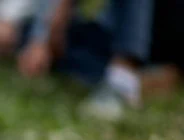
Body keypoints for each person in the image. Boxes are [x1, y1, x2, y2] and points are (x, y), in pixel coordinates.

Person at [19, 0, 184, 121]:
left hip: (166, 28)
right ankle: (141, 77)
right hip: (123, 32)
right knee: (28, 34)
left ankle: (122, 76)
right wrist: (41, 36)